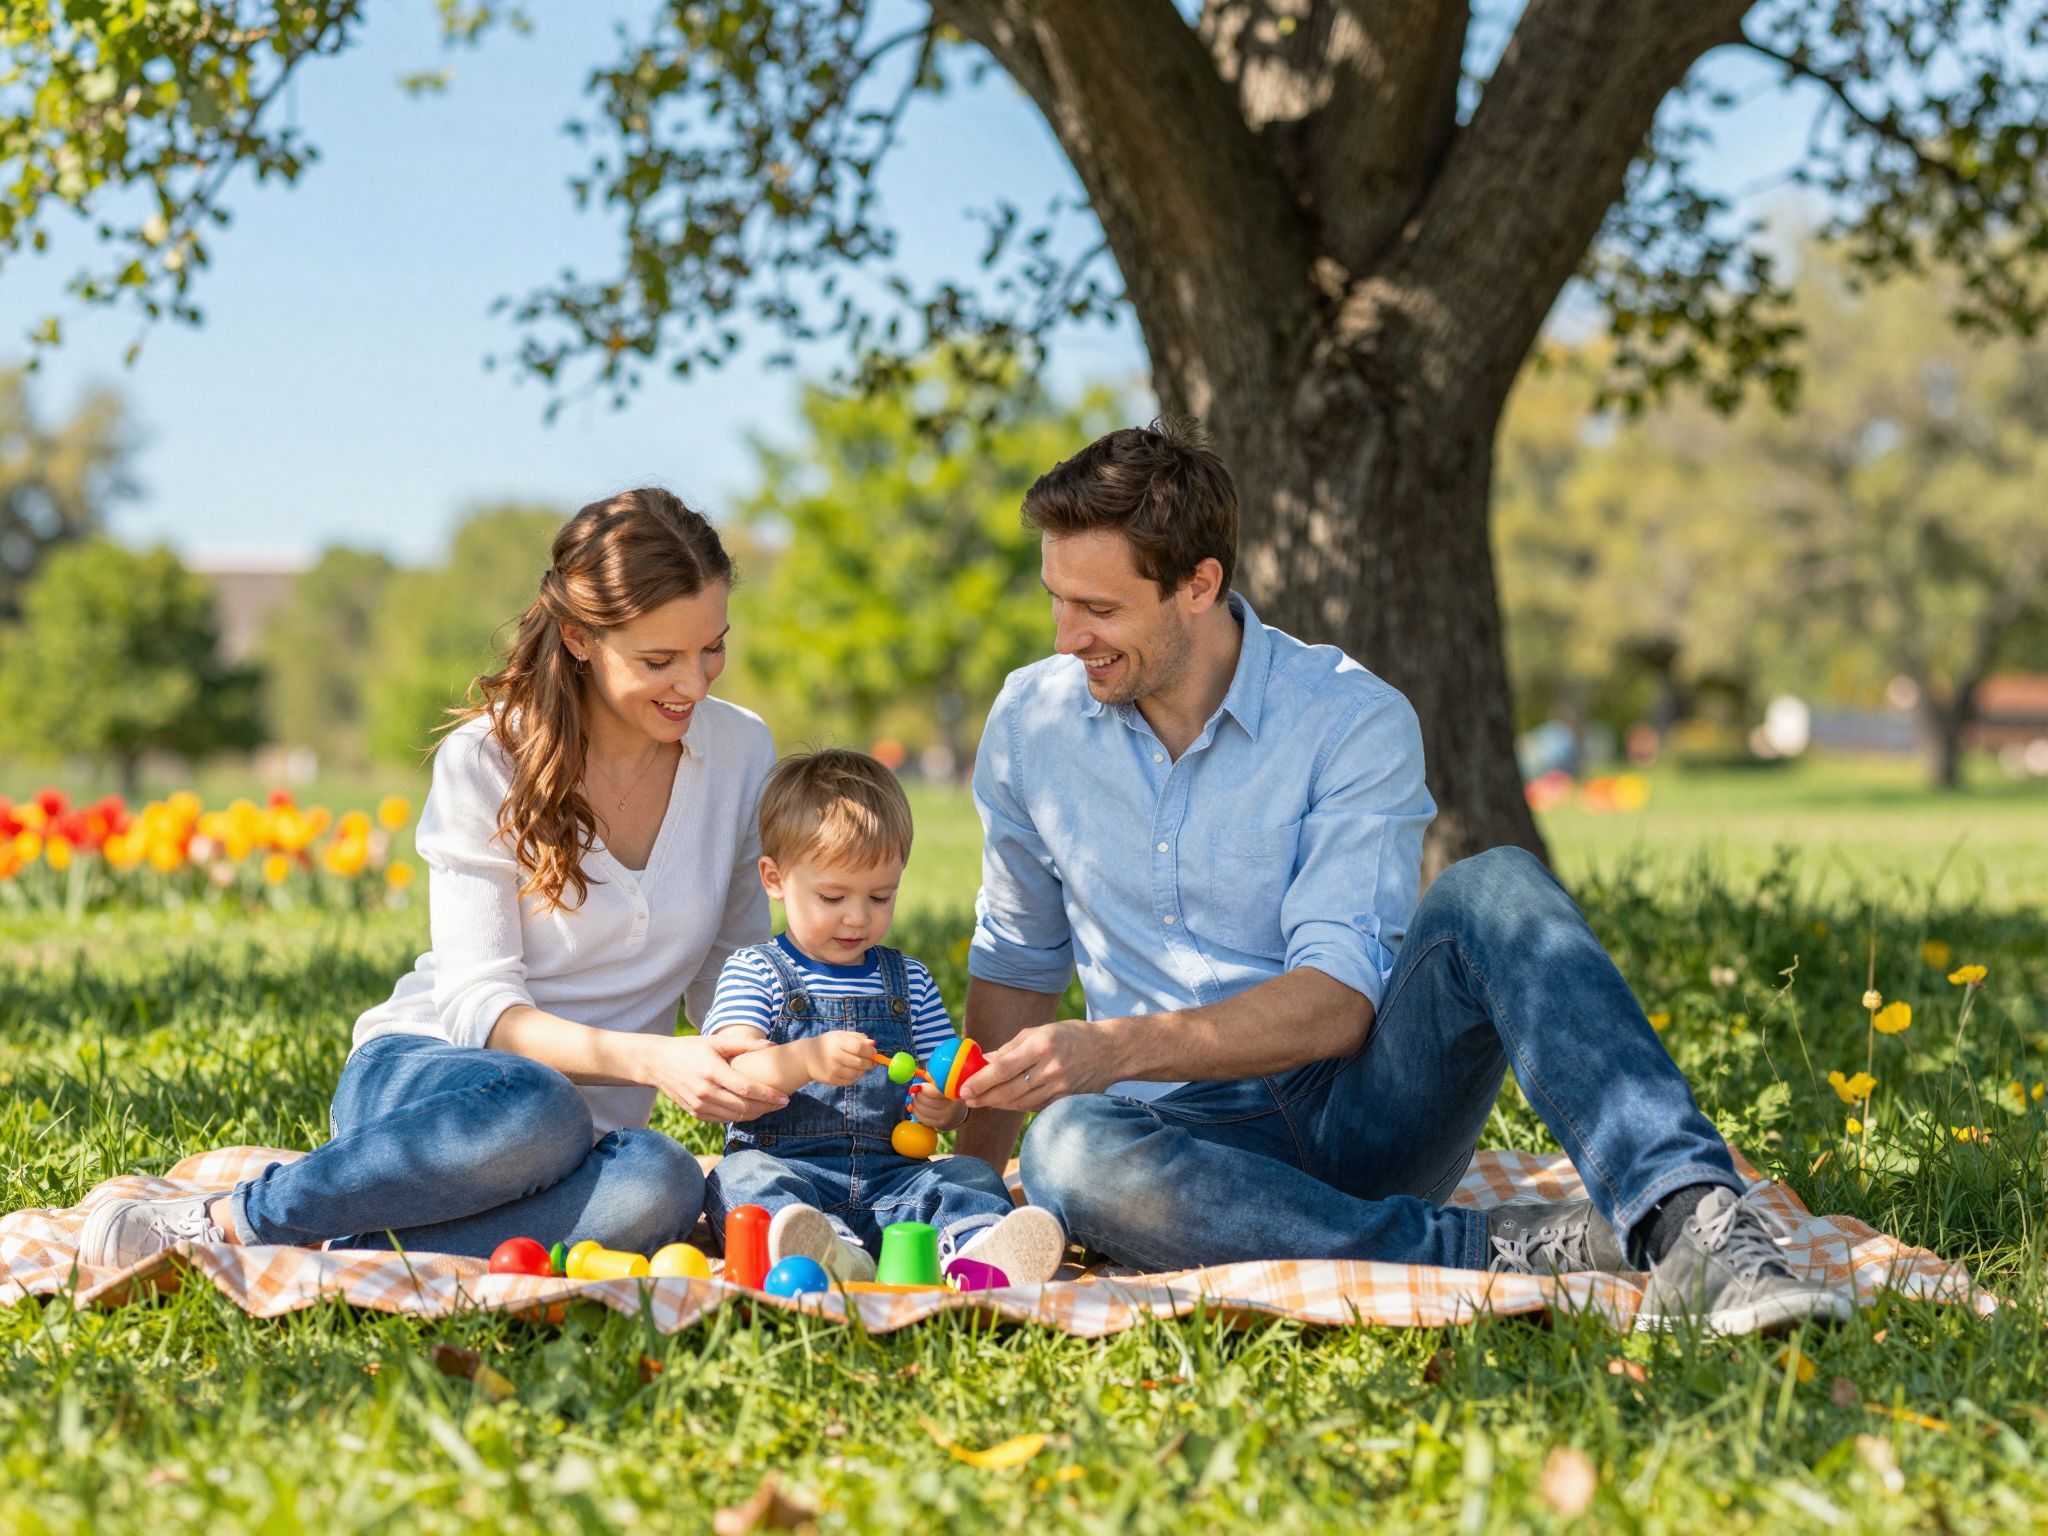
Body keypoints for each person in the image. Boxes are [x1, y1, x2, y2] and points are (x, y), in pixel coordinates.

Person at [953, 420, 1848, 1335]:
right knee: (1067, 1147)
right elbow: (1019, 958)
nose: (1067, 638)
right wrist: (971, 1191)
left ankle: (1691, 1224)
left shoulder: (1349, 717)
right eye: (1056, 600)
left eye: (1099, 610)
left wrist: (1112, 1050)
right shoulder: (1033, 722)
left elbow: (1338, 1002)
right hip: (1175, 1152)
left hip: (1361, 1115)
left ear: (1199, 585)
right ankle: (1492, 1250)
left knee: (1494, 886)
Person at [82, 488, 786, 1267]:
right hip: (436, 1089)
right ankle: (236, 1220)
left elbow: (729, 974)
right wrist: (652, 1060)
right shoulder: (487, 759)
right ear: (580, 637)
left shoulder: (740, 753)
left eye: (711, 649)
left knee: (662, 1182)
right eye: (658, 660)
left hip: (590, 1139)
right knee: (539, 1104)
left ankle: (351, 1241)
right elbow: (481, 1010)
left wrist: (778, 1064)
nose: (694, 683)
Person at [702, 750, 1065, 1285]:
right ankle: (825, 1251)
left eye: (880, 896)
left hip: (893, 1182)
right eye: (832, 896)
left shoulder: (909, 982)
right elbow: (731, 1072)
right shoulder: (757, 971)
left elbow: (944, 1089)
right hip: (792, 1174)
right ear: (774, 878)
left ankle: (979, 1250)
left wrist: (945, 1108)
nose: (857, 916)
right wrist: (804, 1059)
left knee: (968, 1176)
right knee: (741, 1178)